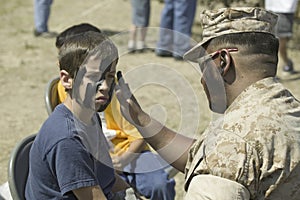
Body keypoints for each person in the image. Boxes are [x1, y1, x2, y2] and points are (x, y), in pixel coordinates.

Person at [115, 7, 300, 199]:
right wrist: (141, 119)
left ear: (222, 62)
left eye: (203, 64)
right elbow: (210, 157)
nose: (201, 79)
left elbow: (225, 157)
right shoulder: (287, 109)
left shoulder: (233, 139)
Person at [54, 23, 176, 200]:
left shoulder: (115, 91)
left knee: (159, 185)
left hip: (131, 154)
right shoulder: (65, 88)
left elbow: (139, 134)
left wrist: (122, 160)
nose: (58, 62)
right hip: (96, 158)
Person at [25, 31, 138, 199]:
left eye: (109, 76)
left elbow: (107, 178)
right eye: (94, 76)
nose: (105, 86)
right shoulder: (68, 138)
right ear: (66, 79)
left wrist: (133, 195)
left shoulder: (89, 117)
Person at [265, 0, 299, 74]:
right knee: (270, 40)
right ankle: (285, 64)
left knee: (280, 42)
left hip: (285, 9)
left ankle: (285, 64)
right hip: (270, 9)